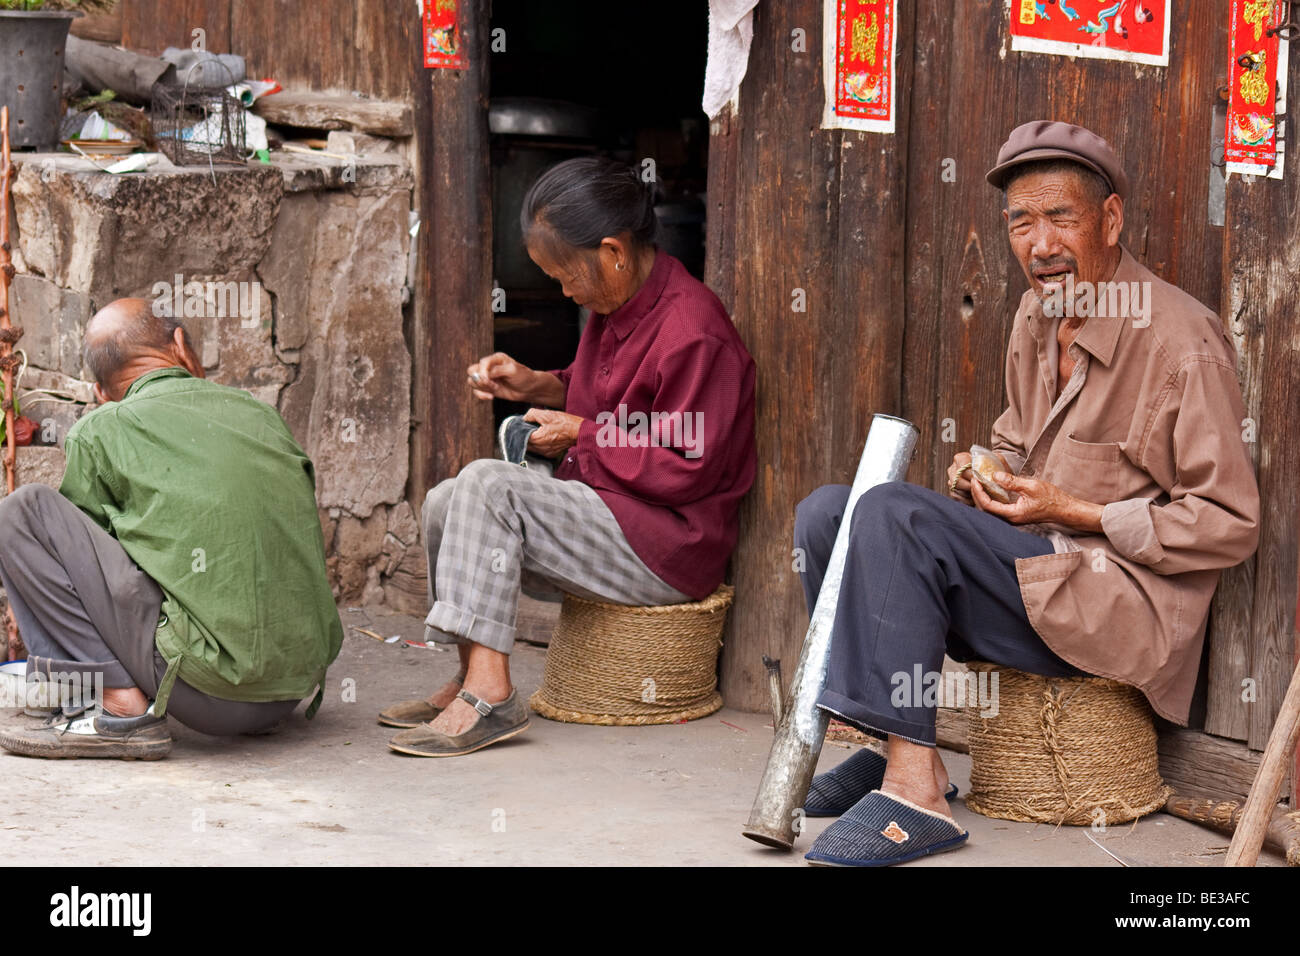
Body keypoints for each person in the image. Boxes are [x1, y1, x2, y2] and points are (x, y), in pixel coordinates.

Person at [793, 121, 1260, 866]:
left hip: (1118, 608)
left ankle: (915, 794)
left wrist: (1074, 512)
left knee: (891, 516)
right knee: (829, 514)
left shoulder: (1181, 343)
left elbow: (1231, 525)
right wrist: (986, 471)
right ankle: (900, 753)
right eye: (1020, 221)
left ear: (1109, 220)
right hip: (1037, 576)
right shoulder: (1036, 315)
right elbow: (1018, 445)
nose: (1040, 244)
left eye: (1062, 217)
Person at [380, 156, 756, 757]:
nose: (564, 291)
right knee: (445, 500)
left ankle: (492, 699)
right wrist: (534, 384)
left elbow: (688, 465)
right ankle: (472, 675)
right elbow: (609, 399)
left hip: (668, 546)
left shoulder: (693, 330)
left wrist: (581, 435)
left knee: (488, 483)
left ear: (613, 252)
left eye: (565, 275)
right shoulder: (616, 306)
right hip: (611, 513)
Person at [0, 298, 343, 759]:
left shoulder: (102, 428)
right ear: (180, 345)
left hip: (208, 699)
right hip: (290, 690)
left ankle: (119, 710)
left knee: (22, 513)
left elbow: (81, 577)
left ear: (102, 391)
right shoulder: (261, 415)